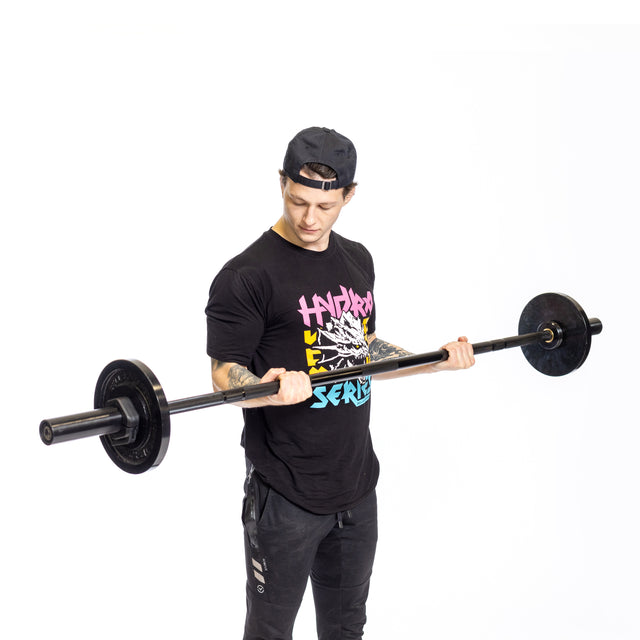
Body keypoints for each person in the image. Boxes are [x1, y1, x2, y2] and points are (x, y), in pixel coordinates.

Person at [205, 126, 475, 640]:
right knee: (269, 633)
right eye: (298, 200)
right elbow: (222, 372)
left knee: (347, 629)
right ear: (282, 183)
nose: (310, 218)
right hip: (284, 493)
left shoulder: (357, 260)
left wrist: (432, 361)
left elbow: (363, 347)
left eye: (325, 207)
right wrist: (263, 385)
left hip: (355, 486)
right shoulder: (246, 275)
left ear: (349, 195)